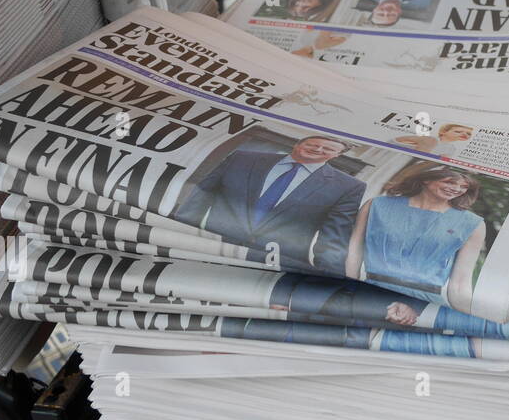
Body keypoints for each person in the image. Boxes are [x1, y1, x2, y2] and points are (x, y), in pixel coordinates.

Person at [175, 136, 367, 273]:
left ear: (337, 155)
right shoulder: (242, 158)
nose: (318, 150)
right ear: (298, 143)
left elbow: (333, 238)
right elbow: (199, 198)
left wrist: (325, 278)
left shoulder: (348, 186)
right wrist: (178, 235)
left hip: (273, 266)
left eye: (328, 149)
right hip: (210, 248)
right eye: (314, 144)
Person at [335, 165, 487, 313]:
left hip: (425, 302)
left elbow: (461, 282)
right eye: (449, 182)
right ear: (426, 179)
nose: (456, 189)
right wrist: (349, 289)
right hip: (370, 293)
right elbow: (353, 252)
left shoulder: (473, 224)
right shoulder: (376, 205)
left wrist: (469, 315)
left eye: (464, 186)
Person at [393, 122, 474, 156]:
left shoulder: (451, 148)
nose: (464, 134)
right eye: (458, 131)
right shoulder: (430, 139)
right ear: (443, 132)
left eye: (468, 134)